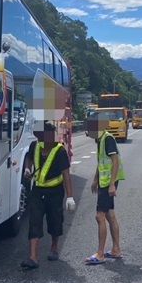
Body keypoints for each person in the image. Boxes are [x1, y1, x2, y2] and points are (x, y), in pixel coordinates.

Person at [21, 121, 76, 270]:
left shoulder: (60, 151)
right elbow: (29, 158)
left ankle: (54, 247)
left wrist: (70, 197)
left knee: (55, 221)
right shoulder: (35, 146)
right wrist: (27, 169)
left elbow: (66, 175)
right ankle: (33, 257)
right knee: (34, 221)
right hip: (38, 191)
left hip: (55, 192)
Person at [85, 113, 126, 265]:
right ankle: (116, 250)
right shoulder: (101, 139)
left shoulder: (107, 138)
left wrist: (111, 185)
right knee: (109, 215)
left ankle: (100, 253)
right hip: (104, 181)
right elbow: (102, 162)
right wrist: (96, 179)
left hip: (108, 182)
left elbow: (115, 161)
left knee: (99, 216)